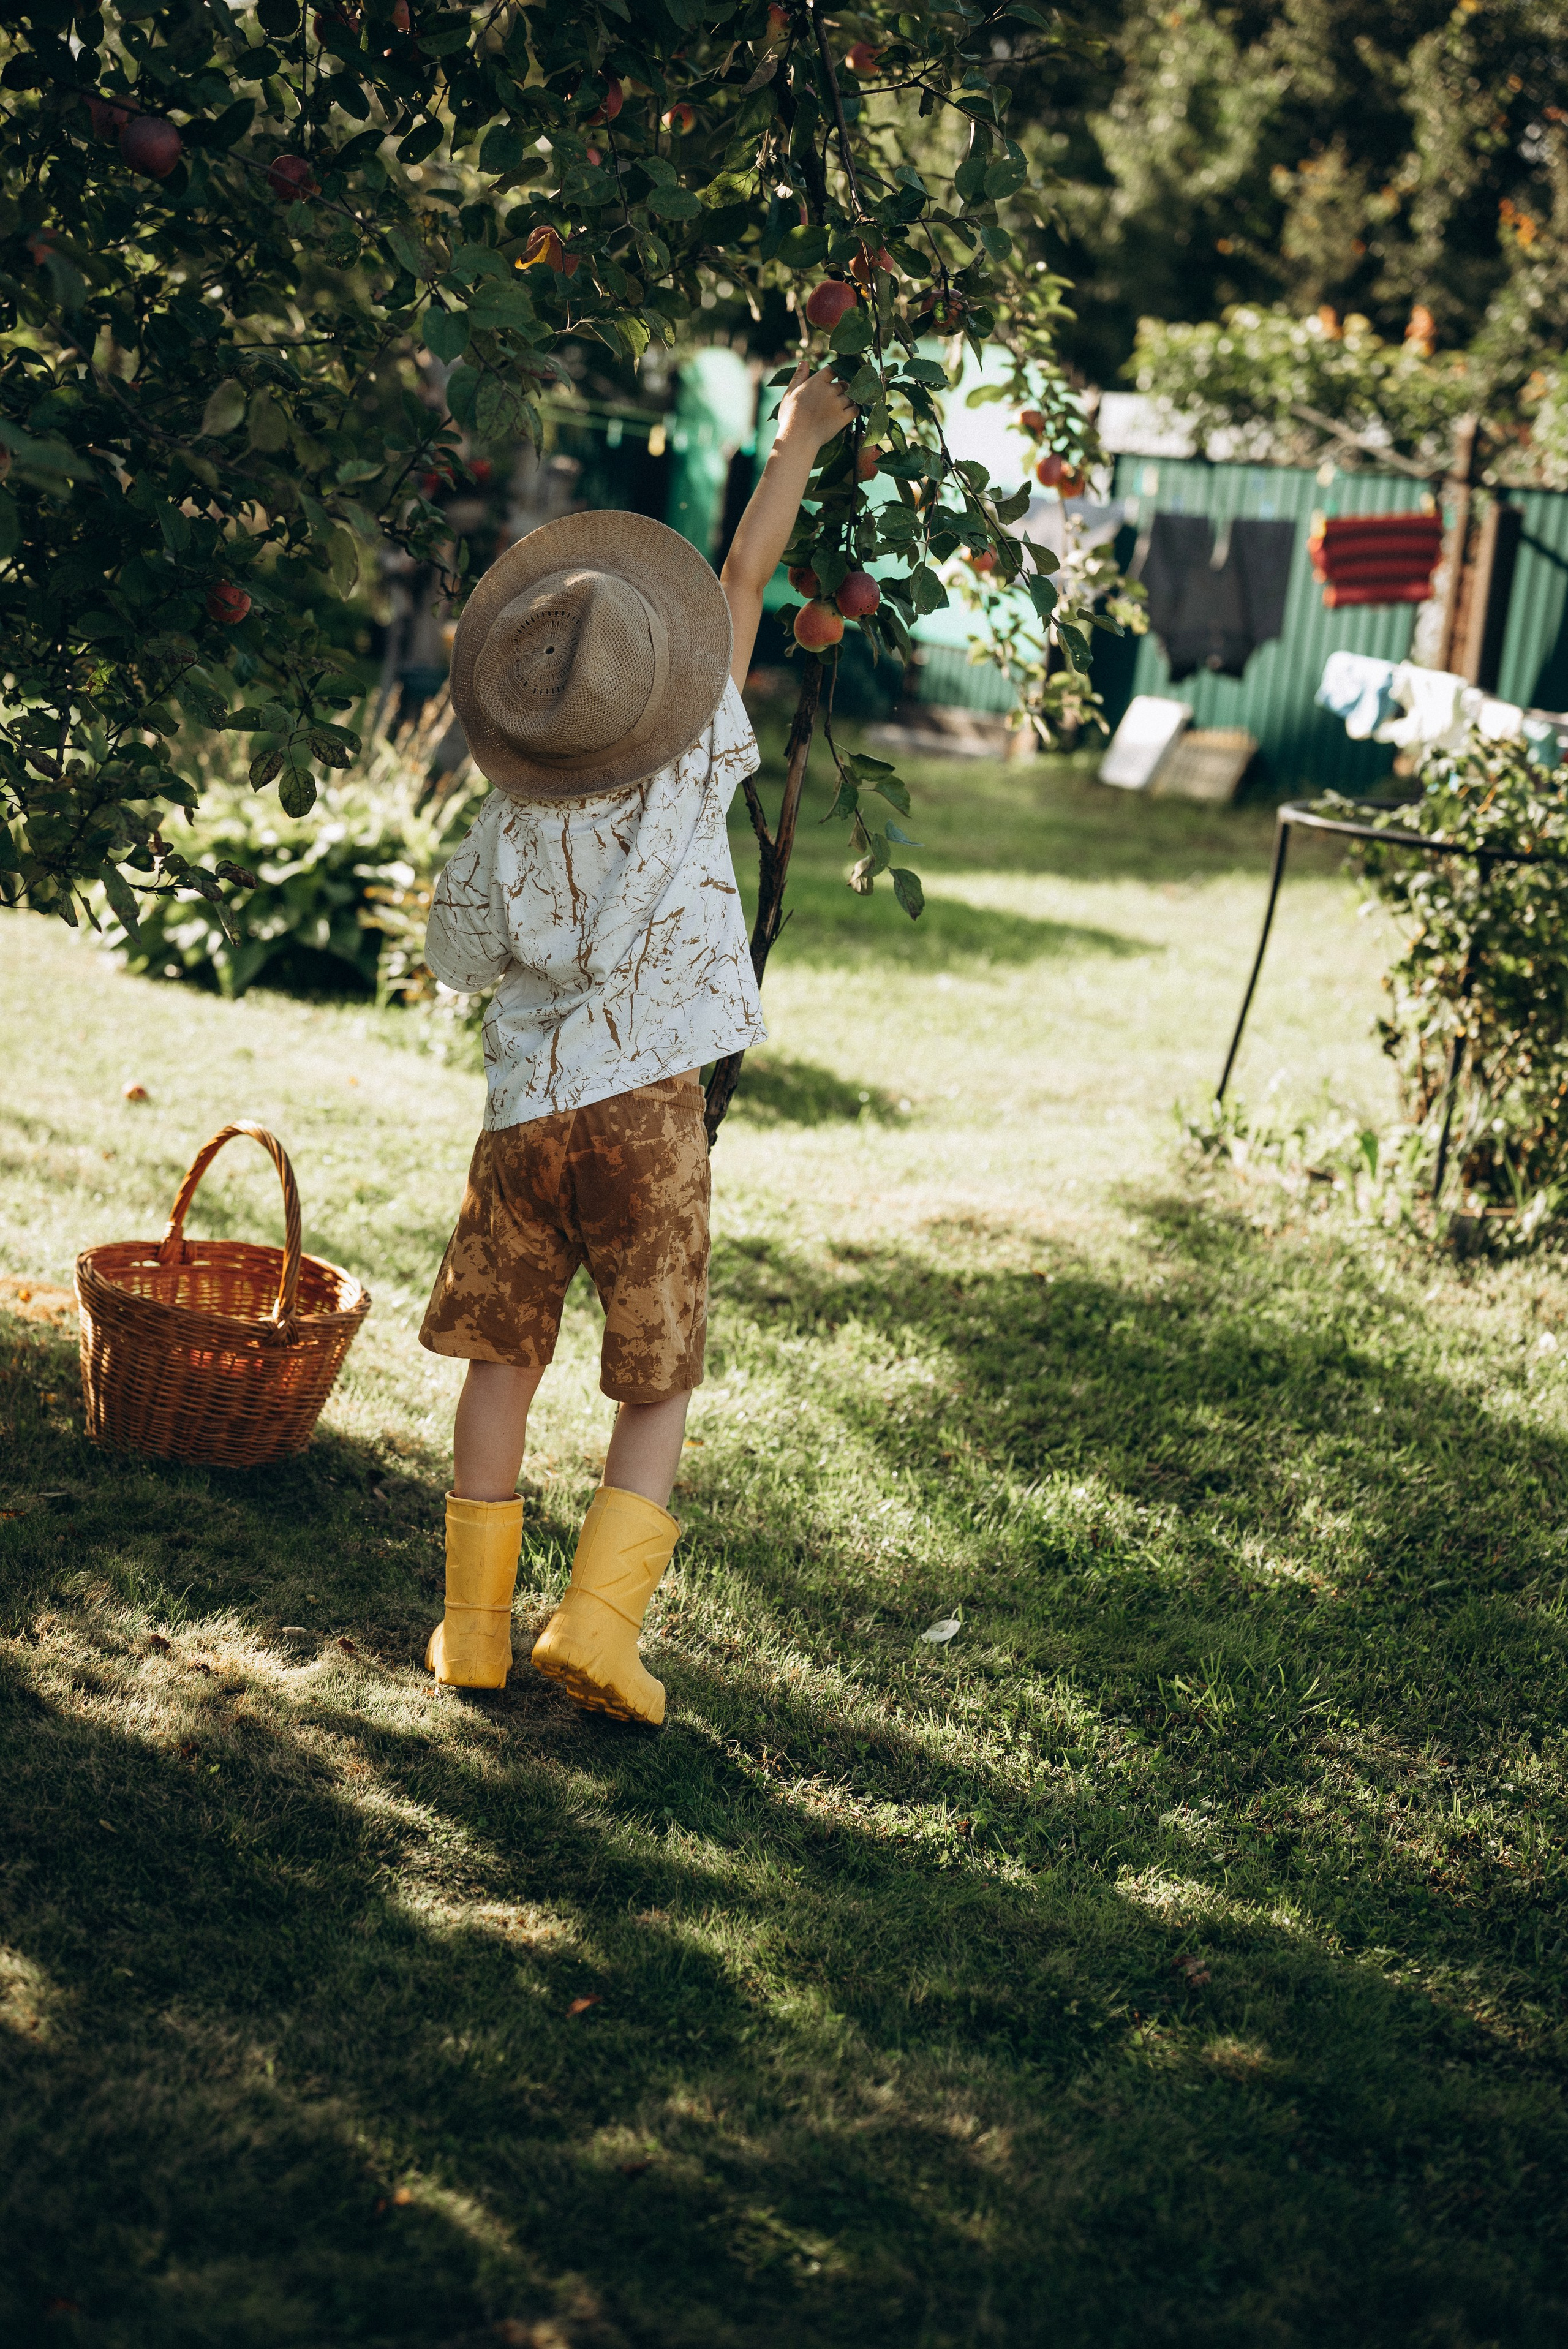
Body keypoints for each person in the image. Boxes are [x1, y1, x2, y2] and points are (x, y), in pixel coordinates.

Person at [416, 357, 857, 1727]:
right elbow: (738, 586)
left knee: (506, 1353)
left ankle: (472, 1632)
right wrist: (797, 441)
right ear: (654, 689)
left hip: (526, 1110)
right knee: (653, 1367)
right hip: (650, 1105)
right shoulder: (691, 749)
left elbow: (457, 956)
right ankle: (600, 1631)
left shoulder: (502, 822)